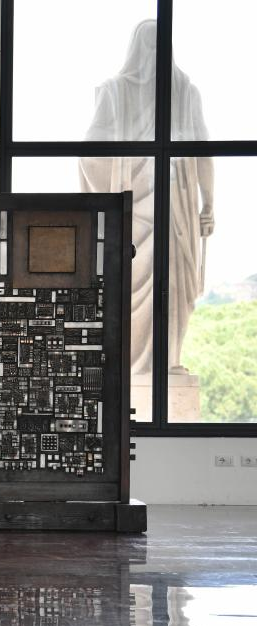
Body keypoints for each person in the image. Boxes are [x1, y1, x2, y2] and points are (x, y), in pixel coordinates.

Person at [80, 19, 215, 375]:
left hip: (171, 210)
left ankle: (168, 363)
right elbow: (90, 153)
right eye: (151, 47)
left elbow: (203, 153)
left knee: (175, 287)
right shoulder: (115, 92)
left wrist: (209, 204)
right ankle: (137, 370)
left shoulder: (185, 93)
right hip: (139, 210)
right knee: (136, 286)